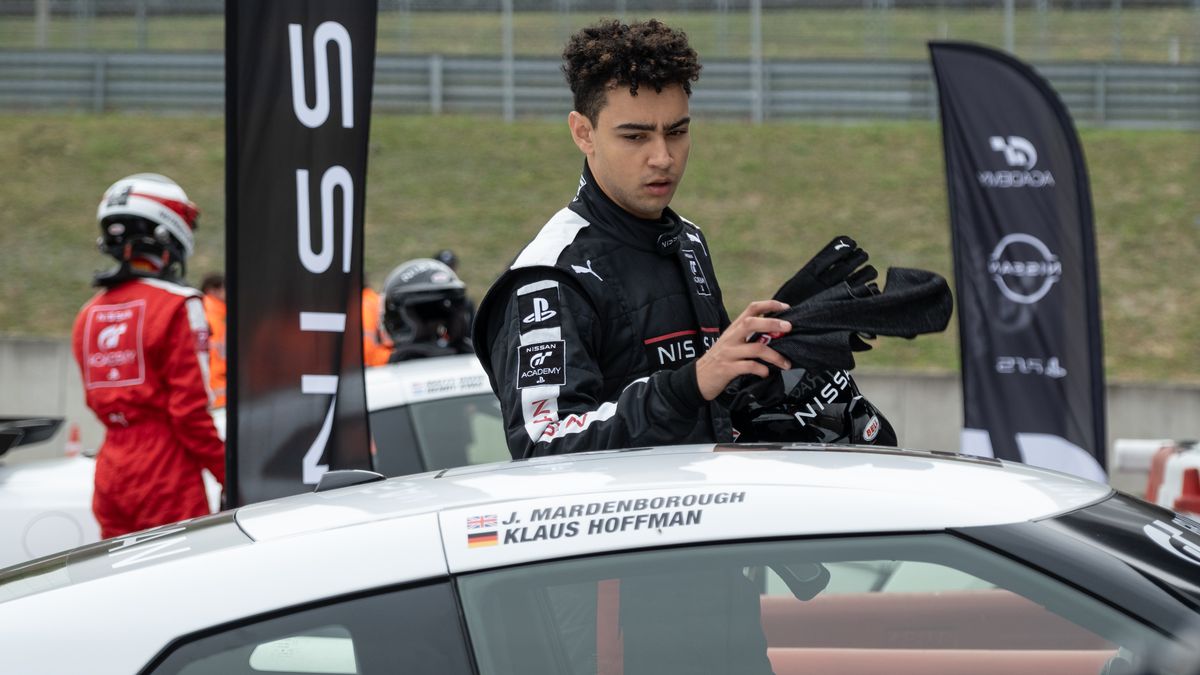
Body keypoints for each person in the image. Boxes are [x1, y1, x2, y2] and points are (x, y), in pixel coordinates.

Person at [473, 18, 792, 462]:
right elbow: (541, 445)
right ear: (583, 133)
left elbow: (711, 406)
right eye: (635, 136)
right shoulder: (547, 277)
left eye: (677, 132)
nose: (663, 157)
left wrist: (783, 361)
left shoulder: (688, 241)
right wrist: (688, 384)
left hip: (705, 518)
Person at [72, 173, 225, 539]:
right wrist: (229, 471)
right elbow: (189, 414)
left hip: (111, 472)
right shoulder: (179, 306)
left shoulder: (88, 314)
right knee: (182, 583)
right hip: (166, 470)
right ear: (167, 230)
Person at [381, 258, 473, 362]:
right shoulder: (388, 374)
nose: (436, 322)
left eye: (441, 314)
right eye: (425, 314)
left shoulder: (478, 360)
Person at [200, 273, 227, 407]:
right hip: (215, 394)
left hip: (213, 392)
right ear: (213, 290)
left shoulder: (218, 314)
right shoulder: (210, 315)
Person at [362, 274, 392, 367]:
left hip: (379, 366)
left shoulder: (363, 305)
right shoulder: (375, 298)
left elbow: (367, 353)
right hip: (389, 361)